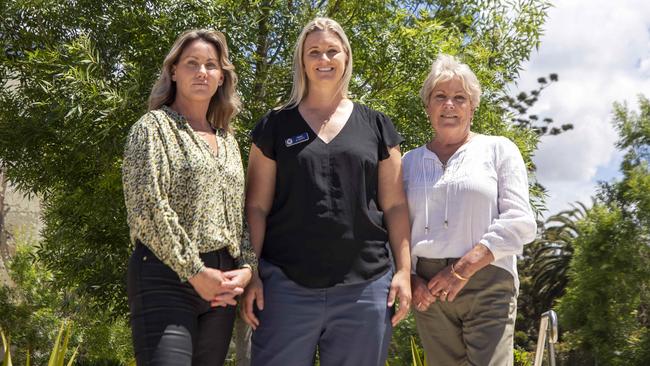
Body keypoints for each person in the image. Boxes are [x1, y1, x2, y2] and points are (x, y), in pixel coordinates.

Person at [241, 17, 412, 366]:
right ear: (302, 61)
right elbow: (256, 207)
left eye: (332, 51)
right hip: (285, 289)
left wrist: (404, 272)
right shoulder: (274, 126)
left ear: (346, 57)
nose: (324, 59)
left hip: (364, 289)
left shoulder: (377, 126)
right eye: (314, 51)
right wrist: (252, 271)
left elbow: (394, 205)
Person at [122, 29, 256, 366]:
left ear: (221, 77)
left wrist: (247, 268)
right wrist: (195, 271)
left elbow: (241, 212)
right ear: (173, 71)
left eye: (211, 65)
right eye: (191, 63)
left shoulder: (227, 142)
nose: (201, 72)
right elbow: (148, 208)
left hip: (222, 283)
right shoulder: (153, 128)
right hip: (167, 277)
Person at [402, 54, 537, 365]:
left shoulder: (498, 149)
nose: (449, 105)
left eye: (459, 98)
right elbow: (395, 225)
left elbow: (520, 220)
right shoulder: (407, 162)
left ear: (472, 107)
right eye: (440, 97)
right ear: (428, 107)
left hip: (487, 278)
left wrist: (463, 269)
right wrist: (409, 276)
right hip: (429, 288)